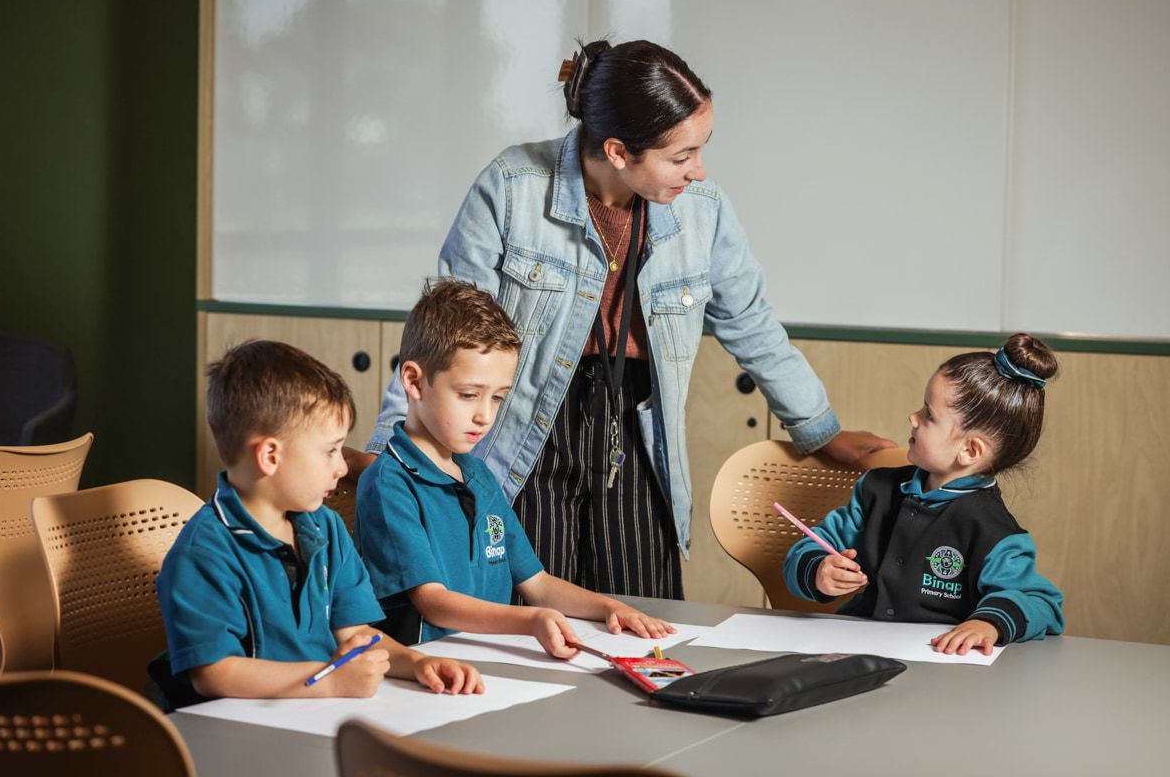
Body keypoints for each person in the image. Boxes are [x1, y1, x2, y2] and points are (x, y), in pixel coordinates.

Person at [352, 38, 894, 600]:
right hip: (526, 428)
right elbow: (444, 330)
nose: (699, 172)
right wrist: (390, 448)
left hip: (638, 429)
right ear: (617, 151)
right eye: (681, 157)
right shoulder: (512, 186)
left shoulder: (705, 213)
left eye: (702, 150)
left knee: (643, 619)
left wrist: (821, 431)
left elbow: (752, 325)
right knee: (535, 613)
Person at [151, 340, 482, 708]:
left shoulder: (326, 527)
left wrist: (418, 663)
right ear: (270, 455)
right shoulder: (203, 552)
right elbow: (214, 674)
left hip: (313, 714)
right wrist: (327, 682)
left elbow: (354, 632)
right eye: (330, 450)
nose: (343, 467)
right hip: (233, 730)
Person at [356, 279, 675, 656]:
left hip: (491, 667)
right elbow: (433, 601)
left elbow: (537, 583)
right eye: (468, 395)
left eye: (497, 398)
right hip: (427, 669)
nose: (484, 416)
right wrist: (527, 621)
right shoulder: (389, 483)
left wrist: (609, 607)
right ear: (414, 381)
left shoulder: (479, 476)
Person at [783, 333, 1066, 655]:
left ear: (970, 450)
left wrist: (988, 624)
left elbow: (1042, 603)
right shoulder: (875, 489)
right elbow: (810, 545)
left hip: (939, 669)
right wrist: (819, 570)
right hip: (852, 654)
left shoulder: (994, 530)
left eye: (929, 415)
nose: (913, 418)